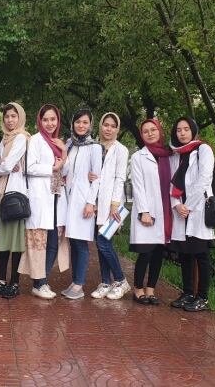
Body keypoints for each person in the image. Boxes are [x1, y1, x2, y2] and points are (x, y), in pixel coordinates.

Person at [19, 104, 70, 299]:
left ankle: (43, 280)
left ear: (58, 121)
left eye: (53, 119)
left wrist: (64, 154)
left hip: (57, 196)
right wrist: (52, 167)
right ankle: (38, 283)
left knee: (54, 242)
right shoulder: (36, 140)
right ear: (40, 121)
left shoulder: (58, 142)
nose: (50, 123)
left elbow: (65, 171)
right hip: (41, 197)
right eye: (46, 119)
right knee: (39, 243)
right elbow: (29, 167)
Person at [0, 103, 30, 299]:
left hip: (15, 195)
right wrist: (1, 165)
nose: (10, 120)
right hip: (2, 195)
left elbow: (7, 165)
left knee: (16, 243)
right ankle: (2, 280)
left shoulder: (21, 137)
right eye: (7, 117)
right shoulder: (4, 139)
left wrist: (1, 165)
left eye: (13, 116)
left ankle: (15, 282)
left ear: (20, 117)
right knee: (3, 242)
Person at [169, 117, 215, 312]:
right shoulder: (177, 154)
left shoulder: (203, 150)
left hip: (197, 210)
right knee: (186, 255)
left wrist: (188, 205)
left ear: (193, 131)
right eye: (179, 129)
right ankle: (188, 292)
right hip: (182, 211)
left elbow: (204, 179)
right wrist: (177, 205)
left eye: (186, 129)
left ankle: (202, 297)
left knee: (201, 254)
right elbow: (172, 184)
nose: (182, 133)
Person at [129, 118, 173, 306]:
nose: (150, 133)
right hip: (147, 211)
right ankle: (138, 289)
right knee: (145, 252)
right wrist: (144, 211)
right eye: (145, 131)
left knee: (157, 253)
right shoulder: (139, 156)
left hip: (166, 211)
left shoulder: (169, 155)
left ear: (159, 131)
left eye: (153, 130)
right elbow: (138, 186)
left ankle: (151, 289)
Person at [60, 109, 102, 299]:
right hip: (69, 199)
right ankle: (74, 281)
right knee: (73, 241)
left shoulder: (94, 147)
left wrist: (90, 203)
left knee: (81, 243)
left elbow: (97, 178)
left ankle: (79, 284)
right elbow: (64, 170)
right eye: (78, 122)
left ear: (90, 125)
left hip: (83, 201)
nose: (81, 126)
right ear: (72, 124)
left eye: (85, 122)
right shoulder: (69, 144)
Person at [90, 113, 131, 300]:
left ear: (117, 129)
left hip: (111, 205)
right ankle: (106, 282)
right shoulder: (95, 147)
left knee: (104, 243)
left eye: (112, 126)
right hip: (96, 203)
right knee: (100, 245)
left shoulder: (120, 150)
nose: (108, 128)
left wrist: (114, 205)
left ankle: (121, 280)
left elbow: (120, 178)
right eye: (105, 125)